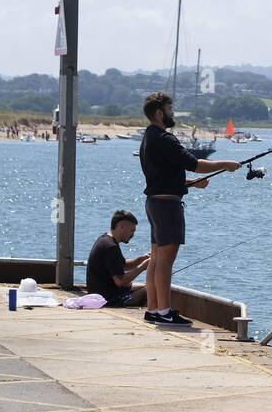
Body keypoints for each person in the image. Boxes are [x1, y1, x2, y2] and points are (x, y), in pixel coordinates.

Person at [139, 92, 239, 326]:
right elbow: (193, 163)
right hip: (166, 207)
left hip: (155, 202)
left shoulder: (148, 137)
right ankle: (164, 311)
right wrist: (226, 164)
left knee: (156, 258)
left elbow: (161, 175)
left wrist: (189, 184)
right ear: (159, 112)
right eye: (170, 109)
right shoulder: (164, 138)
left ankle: (153, 309)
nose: (173, 113)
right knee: (165, 259)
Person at [85, 210, 150, 307]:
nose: (132, 235)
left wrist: (142, 258)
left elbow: (120, 265)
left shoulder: (104, 240)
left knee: (147, 285)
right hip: (108, 298)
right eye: (132, 231)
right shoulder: (111, 247)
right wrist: (143, 267)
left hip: (99, 294)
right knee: (150, 291)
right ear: (122, 227)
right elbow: (121, 281)